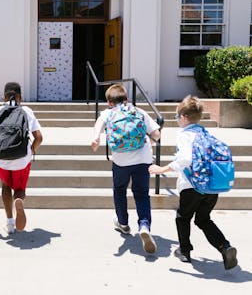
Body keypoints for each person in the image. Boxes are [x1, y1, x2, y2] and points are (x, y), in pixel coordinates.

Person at [149, 95, 238, 269]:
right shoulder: (204, 133)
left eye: (176, 117)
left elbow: (185, 160)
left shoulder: (185, 135)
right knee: (203, 219)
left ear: (183, 117)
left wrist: (162, 169)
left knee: (183, 218)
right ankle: (225, 247)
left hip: (191, 186)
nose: (176, 121)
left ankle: (184, 251)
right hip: (211, 187)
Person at [91, 83, 160, 254]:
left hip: (121, 161)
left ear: (109, 102)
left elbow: (99, 124)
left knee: (120, 190)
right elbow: (157, 134)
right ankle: (144, 225)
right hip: (143, 159)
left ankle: (123, 223)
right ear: (127, 98)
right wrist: (148, 144)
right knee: (142, 194)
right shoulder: (139, 111)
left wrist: (96, 139)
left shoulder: (108, 113)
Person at [0, 82, 43, 234]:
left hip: (1, 158)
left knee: (5, 186)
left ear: (3, 96)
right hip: (22, 158)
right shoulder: (26, 111)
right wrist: (31, 150)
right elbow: (39, 137)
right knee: (19, 188)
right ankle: (18, 199)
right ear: (20, 97)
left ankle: (9, 222)